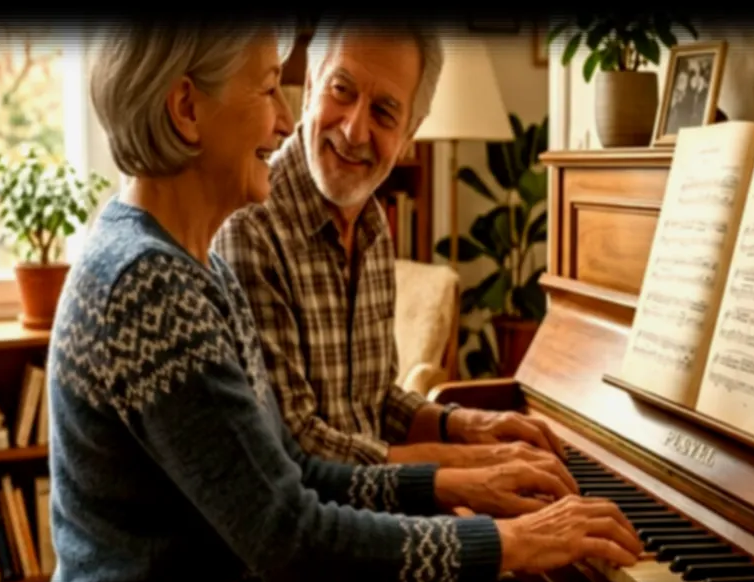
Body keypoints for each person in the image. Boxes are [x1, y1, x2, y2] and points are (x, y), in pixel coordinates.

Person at [46, 19, 643, 582]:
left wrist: (458, 475)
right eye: (268, 89)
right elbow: (294, 541)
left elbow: (293, 472)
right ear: (186, 107)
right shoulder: (150, 285)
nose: (284, 121)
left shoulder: (192, 268)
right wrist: (513, 540)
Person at [214, 18, 574, 482]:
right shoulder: (250, 227)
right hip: (330, 530)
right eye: (341, 90)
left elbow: (378, 399)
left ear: (410, 132)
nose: (354, 130)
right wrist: (471, 467)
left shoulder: (373, 225)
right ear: (309, 85)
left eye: (385, 113)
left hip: (383, 507)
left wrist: (467, 424)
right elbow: (295, 446)